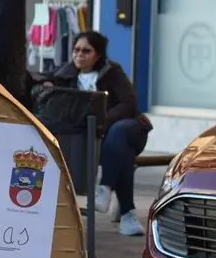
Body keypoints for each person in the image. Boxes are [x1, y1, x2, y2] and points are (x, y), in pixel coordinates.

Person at [32, 31, 152, 237]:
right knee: (123, 154)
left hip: (128, 129)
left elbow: (129, 103)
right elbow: (40, 80)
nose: (80, 55)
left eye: (86, 51)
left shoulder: (112, 72)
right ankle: (126, 213)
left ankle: (105, 189)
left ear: (98, 54)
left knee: (119, 135)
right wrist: (46, 84)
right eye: (76, 50)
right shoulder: (65, 73)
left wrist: (101, 120)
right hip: (92, 140)